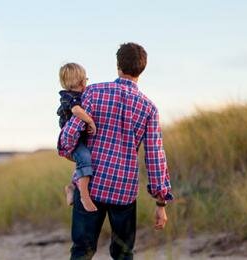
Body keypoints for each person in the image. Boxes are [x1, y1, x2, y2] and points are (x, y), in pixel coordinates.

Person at [58, 42, 174, 259]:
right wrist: (161, 203)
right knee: (123, 253)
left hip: (91, 184)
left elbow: (69, 135)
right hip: (124, 190)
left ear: (118, 65)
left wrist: (67, 151)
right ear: (142, 70)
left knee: (82, 251)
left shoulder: (93, 92)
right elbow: (155, 157)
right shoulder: (149, 108)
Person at [56, 63, 98, 212]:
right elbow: (76, 111)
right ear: (81, 81)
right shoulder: (69, 97)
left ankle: (72, 187)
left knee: (83, 162)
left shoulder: (80, 95)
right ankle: (84, 196)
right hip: (71, 141)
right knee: (85, 157)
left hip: (79, 138)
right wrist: (90, 121)